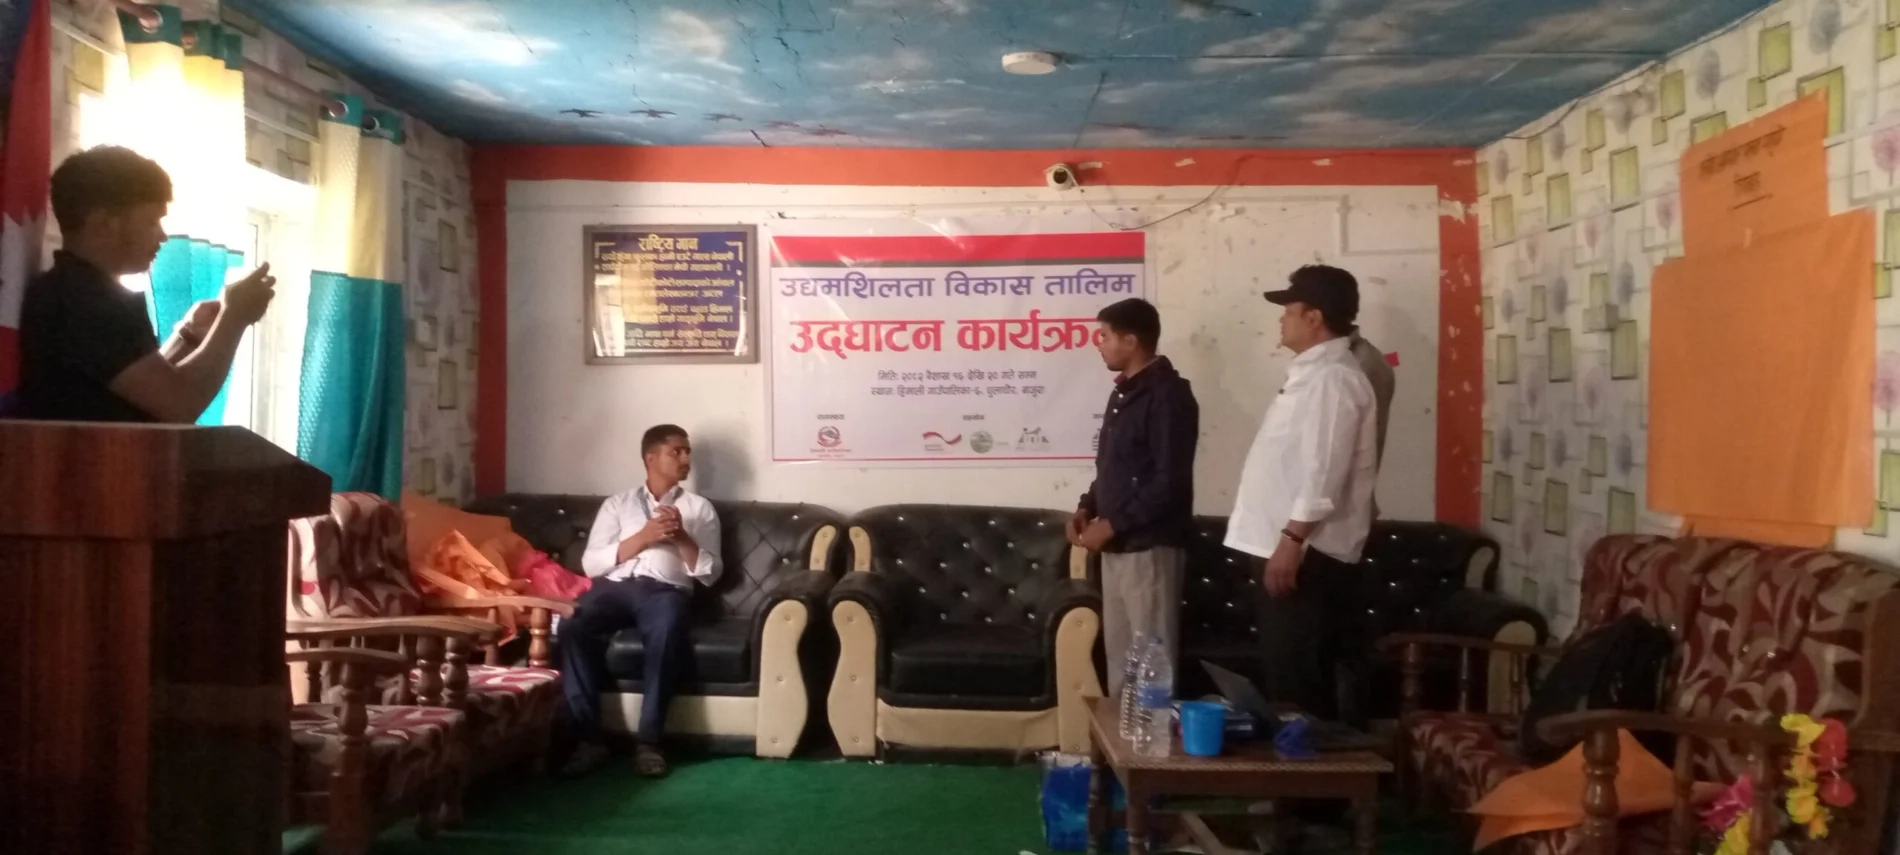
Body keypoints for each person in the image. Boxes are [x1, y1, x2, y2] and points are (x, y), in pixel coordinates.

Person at [12, 146, 275, 423]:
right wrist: (234, 317)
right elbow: (179, 404)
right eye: (151, 222)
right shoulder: (85, 301)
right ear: (104, 224)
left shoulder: (72, 291)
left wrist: (188, 336)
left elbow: (132, 389)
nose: (162, 236)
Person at [1225, 265, 1378, 721]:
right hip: (1285, 544)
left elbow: (1324, 470)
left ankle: (1310, 769)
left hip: (1305, 551)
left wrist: (1292, 540)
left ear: (1314, 318)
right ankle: (1294, 766)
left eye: (1289, 310)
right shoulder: (1313, 374)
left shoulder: (1334, 379)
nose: (1281, 319)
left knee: (1299, 683)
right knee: (1285, 677)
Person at [557, 425, 722, 778]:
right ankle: (588, 740)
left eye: (687, 452)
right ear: (651, 458)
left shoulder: (699, 508)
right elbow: (592, 564)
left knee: (667, 629)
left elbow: (711, 573)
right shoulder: (617, 505)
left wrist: (681, 537)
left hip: (665, 591)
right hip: (614, 588)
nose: (686, 458)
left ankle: (649, 742)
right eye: (676, 451)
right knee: (572, 624)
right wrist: (643, 538)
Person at [1069, 297, 1199, 699]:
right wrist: (1087, 507)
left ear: (1131, 341)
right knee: (1121, 662)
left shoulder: (1168, 395)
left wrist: (1111, 524)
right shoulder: (1125, 393)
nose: (1099, 344)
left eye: (1105, 336)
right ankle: (1120, 741)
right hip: (1118, 545)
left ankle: (1151, 741)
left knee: (1152, 666)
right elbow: (1114, 467)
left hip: (1149, 548)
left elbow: (1169, 482)